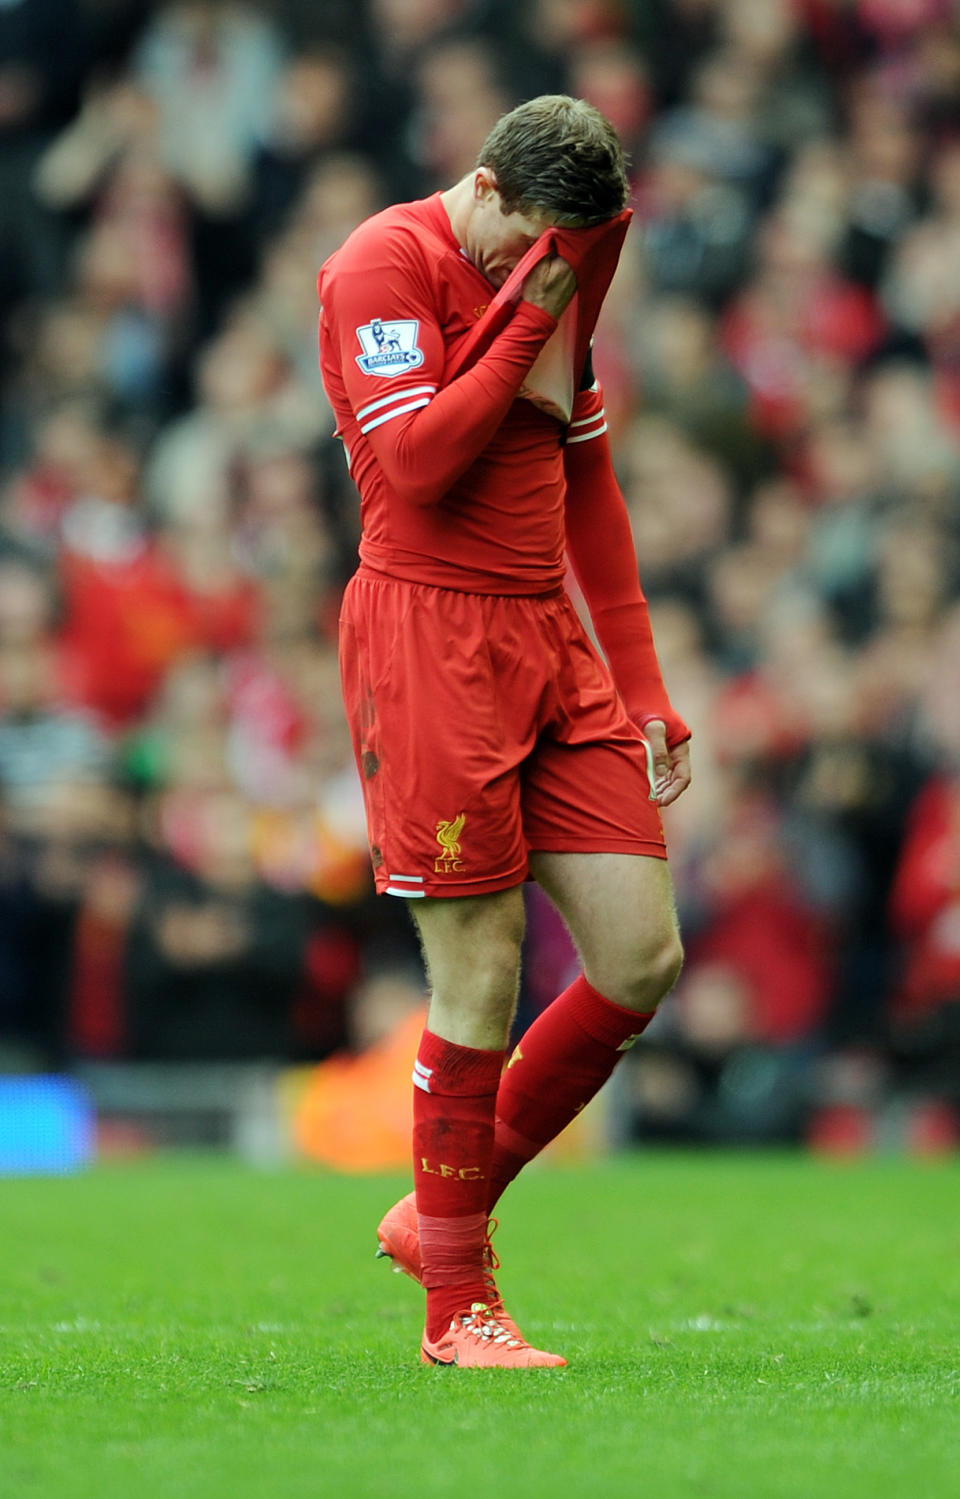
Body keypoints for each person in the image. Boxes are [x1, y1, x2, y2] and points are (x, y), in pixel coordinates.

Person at [317, 95, 691, 1370]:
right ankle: (458, 1306)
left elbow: (589, 482)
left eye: (558, 257)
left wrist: (641, 683)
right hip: (430, 639)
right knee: (478, 971)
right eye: (521, 243)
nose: (532, 271)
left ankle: (440, 1213)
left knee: (641, 956)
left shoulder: (558, 272)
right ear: (481, 188)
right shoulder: (380, 265)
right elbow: (418, 464)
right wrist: (530, 307)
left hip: (549, 637)